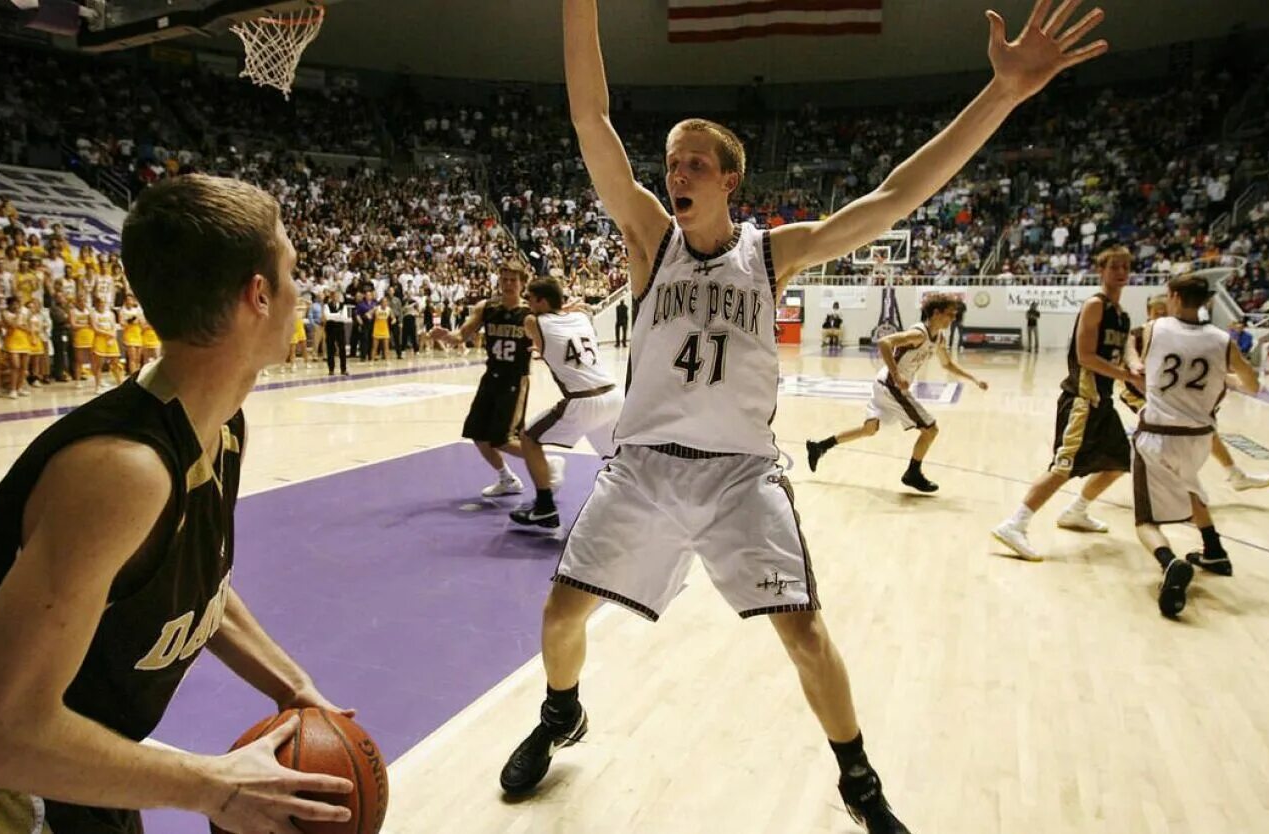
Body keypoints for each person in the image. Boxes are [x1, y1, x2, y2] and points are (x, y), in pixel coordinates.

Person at [499, 3, 1108, 833]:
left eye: (693, 162)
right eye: (669, 161)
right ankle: (561, 711)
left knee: (805, 633)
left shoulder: (771, 254)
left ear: (725, 181)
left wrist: (999, 95)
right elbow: (589, 115)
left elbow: (896, 196)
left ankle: (858, 784)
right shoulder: (648, 240)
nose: (674, 172)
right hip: (642, 468)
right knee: (561, 614)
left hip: (739, 476)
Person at [0, 174, 356, 834]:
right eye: (294, 272)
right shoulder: (121, 471)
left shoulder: (218, 425)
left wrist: (291, 685)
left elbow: (188, 579)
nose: (306, 292)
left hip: (75, 766)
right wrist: (215, 787)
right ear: (259, 295)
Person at [991, 244, 1142, 562]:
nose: (1121, 272)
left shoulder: (1122, 315)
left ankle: (1076, 511)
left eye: (1126, 267)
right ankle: (1014, 524)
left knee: (1118, 461)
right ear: (1101, 271)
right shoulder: (1095, 305)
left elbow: (1127, 348)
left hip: (1103, 401)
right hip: (1082, 399)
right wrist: (1125, 375)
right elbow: (1086, 356)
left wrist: (1135, 365)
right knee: (1063, 466)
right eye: (1114, 266)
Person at [1130, 274, 1261, 618]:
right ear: (1208, 302)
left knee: (1145, 520)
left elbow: (1132, 343)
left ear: (1172, 296)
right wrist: (1227, 378)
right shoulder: (1222, 340)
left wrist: (1133, 362)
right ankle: (1214, 550)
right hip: (1200, 438)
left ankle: (1169, 562)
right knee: (1190, 484)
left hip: (1158, 433)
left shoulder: (1155, 329)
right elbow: (1253, 384)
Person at [806, 293, 988, 492]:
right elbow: (884, 343)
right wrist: (896, 374)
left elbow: (947, 364)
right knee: (931, 430)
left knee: (869, 430)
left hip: (883, 383)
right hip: (891, 386)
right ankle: (913, 473)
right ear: (936, 313)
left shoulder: (939, 338)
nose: (953, 318)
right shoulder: (919, 334)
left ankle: (820, 446)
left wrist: (973, 379)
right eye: (950, 314)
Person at [1123, 296, 1269, 492]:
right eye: (1157, 312)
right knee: (1179, 435)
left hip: (1171, 394)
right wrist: (1136, 365)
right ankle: (1165, 485)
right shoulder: (1140, 333)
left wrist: (1231, 379)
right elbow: (1130, 357)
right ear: (1148, 312)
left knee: (1204, 432)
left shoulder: (1179, 335)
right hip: (1139, 393)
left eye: (1164, 311)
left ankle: (1233, 475)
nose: (1161, 315)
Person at [509, 276, 621, 528]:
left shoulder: (533, 321)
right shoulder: (581, 318)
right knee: (614, 458)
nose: (527, 302)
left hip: (583, 400)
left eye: (530, 298)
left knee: (529, 438)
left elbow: (530, 321)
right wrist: (561, 310)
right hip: (613, 395)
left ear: (542, 301)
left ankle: (545, 507)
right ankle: (632, 506)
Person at [433, 266, 538, 497]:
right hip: (491, 377)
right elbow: (461, 335)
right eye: (504, 279)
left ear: (522, 284)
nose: (508, 283)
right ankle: (507, 478)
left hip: (515, 379)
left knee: (502, 439)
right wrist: (445, 336)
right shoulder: (487, 308)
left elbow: (548, 339)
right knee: (478, 434)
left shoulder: (530, 312)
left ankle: (546, 463)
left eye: (513, 280)